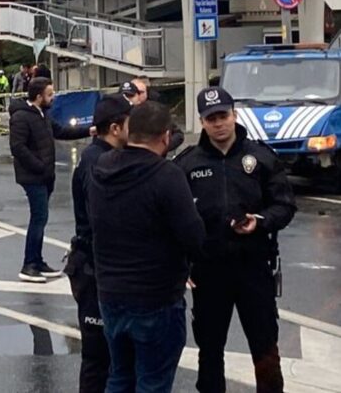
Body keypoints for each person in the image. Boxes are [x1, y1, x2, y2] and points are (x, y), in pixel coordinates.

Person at [174, 87, 296, 393]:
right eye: (211, 118)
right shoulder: (187, 164)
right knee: (210, 348)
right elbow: (173, 218)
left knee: (264, 344)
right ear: (202, 121)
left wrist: (260, 222)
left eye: (223, 116)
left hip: (254, 265)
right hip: (208, 269)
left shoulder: (261, 157)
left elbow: (285, 205)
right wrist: (182, 263)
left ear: (234, 115)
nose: (219, 123)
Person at [89, 101, 206, 392]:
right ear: (165, 137)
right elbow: (194, 236)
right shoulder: (166, 175)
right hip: (155, 296)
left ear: (130, 131)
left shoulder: (101, 168)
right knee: (153, 381)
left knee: (119, 376)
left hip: (110, 292)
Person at [64, 95, 132, 392]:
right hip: (96, 270)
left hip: (102, 268)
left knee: (114, 357)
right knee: (98, 358)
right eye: (131, 122)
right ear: (115, 128)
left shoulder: (109, 157)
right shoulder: (98, 162)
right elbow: (100, 219)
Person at [9, 77, 93, 283]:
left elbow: (61, 131)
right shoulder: (21, 117)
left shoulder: (42, 114)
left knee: (41, 218)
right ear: (39, 97)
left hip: (45, 176)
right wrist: (40, 166)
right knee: (39, 218)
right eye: (50, 94)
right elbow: (18, 147)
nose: (53, 97)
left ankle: (37, 261)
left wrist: (88, 130)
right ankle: (29, 264)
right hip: (33, 177)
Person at [122, 79, 185, 152]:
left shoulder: (155, 112)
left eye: (141, 92)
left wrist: (161, 147)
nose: (138, 96)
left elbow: (178, 135)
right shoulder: (119, 115)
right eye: (129, 95)